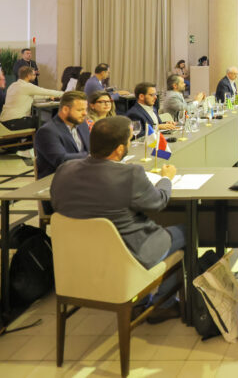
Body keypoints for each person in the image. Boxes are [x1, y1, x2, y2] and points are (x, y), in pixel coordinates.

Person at [50, 116, 184, 322]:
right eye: (129, 141)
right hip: (128, 255)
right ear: (120, 149)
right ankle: (163, 305)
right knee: (187, 231)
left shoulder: (64, 170)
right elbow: (158, 203)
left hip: (77, 260)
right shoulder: (130, 174)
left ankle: (138, 302)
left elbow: (57, 204)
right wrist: (167, 179)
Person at [34, 91, 91, 180]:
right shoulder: (47, 131)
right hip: (58, 179)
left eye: (85, 109)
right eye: (80, 110)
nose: (85, 113)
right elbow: (61, 160)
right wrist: (91, 156)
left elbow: (89, 148)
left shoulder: (82, 124)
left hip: (81, 174)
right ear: (65, 110)